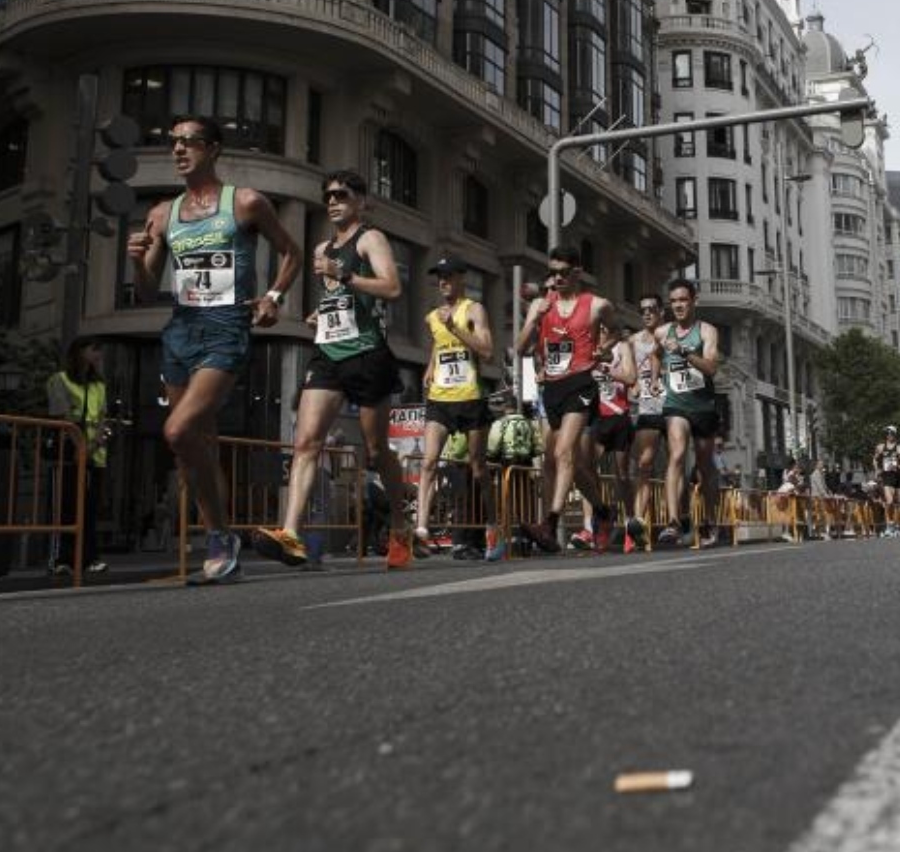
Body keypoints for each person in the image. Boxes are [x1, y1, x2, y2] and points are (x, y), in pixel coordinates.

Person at [127, 116, 299, 585]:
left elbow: (291, 252)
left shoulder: (244, 202)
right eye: (174, 142)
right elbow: (144, 292)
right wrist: (137, 260)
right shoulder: (163, 214)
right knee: (197, 447)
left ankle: (222, 536)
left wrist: (272, 299)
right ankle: (221, 542)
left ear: (214, 149)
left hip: (226, 327)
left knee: (178, 431)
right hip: (180, 330)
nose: (180, 150)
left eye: (191, 142)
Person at [253, 172, 414, 571]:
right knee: (306, 441)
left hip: (368, 352)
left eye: (342, 194)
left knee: (376, 452)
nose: (333, 201)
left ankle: (400, 520)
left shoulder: (370, 239)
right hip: (328, 352)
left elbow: (391, 287)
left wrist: (343, 274)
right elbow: (339, 296)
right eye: (327, 196)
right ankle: (290, 533)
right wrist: (322, 312)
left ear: (361, 201)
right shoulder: (324, 247)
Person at [515, 247, 624, 554]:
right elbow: (520, 349)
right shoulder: (540, 304)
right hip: (551, 387)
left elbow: (617, 331)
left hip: (581, 382)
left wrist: (605, 347)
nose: (557, 278)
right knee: (562, 463)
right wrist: (532, 320)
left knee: (564, 451)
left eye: (564, 272)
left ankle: (548, 524)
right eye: (553, 273)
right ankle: (603, 511)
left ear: (578, 272)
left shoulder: (596, 305)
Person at [409, 256, 501, 562]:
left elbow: (487, 351)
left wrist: (457, 329)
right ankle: (421, 530)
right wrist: (430, 368)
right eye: (439, 277)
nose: (443, 281)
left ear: (462, 277)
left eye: (448, 276)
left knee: (477, 467)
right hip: (440, 399)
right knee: (429, 462)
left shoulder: (473, 309)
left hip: (470, 397)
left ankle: (492, 524)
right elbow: (439, 343)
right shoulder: (432, 316)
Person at [656, 278, 723, 548]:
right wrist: (651, 379)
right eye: (673, 301)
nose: (678, 306)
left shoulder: (707, 331)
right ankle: (673, 522)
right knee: (677, 454)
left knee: (705, 468)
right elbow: (652, 353)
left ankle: (709, 519)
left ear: (694, 301)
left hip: (703, 407)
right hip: (676, 405)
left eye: (683, 300)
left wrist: (683, 352)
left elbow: (711, 368)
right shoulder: (663, 332)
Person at [45, 337, 112, 576]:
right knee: (64, 505)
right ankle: (59, 559)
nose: (98, 355)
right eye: (94, 349)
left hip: (94, 455)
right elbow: (63, 418)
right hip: (67, 451)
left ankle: (89, 558)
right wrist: (81, 446)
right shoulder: (59, 380)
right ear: (80, 352)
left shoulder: (98, 385)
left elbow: (103, 415)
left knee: (89, 507)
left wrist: (93, 445)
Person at [573, 319, 638, 550]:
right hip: (594, 416)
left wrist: (607, 365)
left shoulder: (622, 347)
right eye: (595, 328)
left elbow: (631, 378)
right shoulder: (585, 348)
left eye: (602, 328)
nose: (599, 332)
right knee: (586, 470)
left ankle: (630, 522)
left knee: (621, 475)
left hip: (618, 415)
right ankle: (592, 526)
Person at [625, 293, 667, 550]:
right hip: (646, 404)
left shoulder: (671, 335)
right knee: (644, 464)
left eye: (652, 308)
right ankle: (638, 522)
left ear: (661, 311)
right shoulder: (632, 341)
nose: (648, 313)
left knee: (674, 464)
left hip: (672, 404)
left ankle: (676, 521)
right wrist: (633, 384)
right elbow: (628, 371)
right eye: (643, 310)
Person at [872, 425, 900, 536]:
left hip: (898, 476)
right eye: (887, 434)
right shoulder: (880, 447)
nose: (889, 436)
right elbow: (874, 459)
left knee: (899, 503)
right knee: (889, 501)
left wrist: (899, 466)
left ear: (894, 434)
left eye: (891, 433)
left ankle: (897, 525)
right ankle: (889, 524)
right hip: (887, 476)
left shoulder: (899, 448)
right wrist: (877, 469)